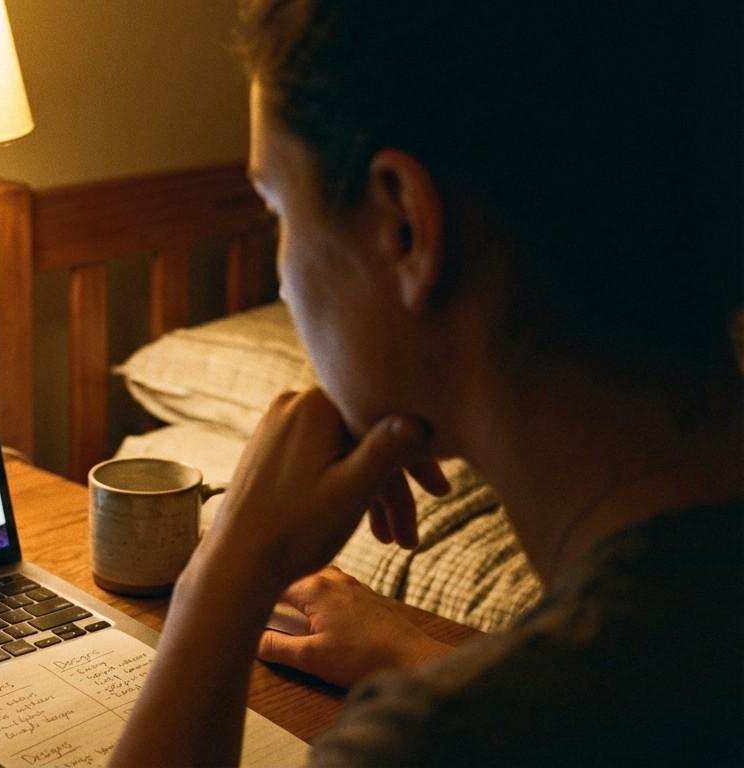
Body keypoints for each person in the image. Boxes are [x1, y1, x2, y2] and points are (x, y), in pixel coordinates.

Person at [110, 1, 744, 765]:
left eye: (277, 208)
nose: (281, 277)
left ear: (404, 225)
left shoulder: (432, 740)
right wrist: (416, 659)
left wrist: (221, 580)